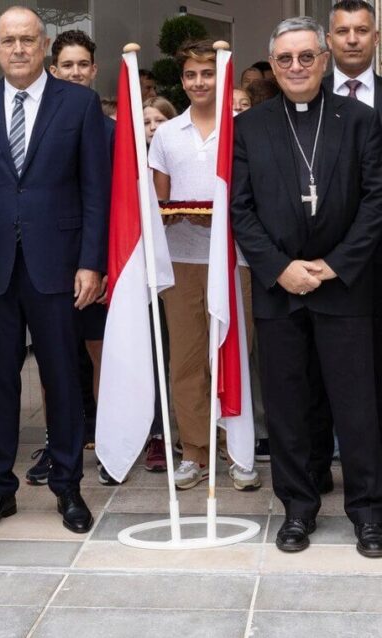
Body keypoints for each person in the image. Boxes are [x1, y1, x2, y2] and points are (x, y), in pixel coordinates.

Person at [232, 16, 382, 556]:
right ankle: (298, 509)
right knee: (290, 407)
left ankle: (369, 513)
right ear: (272, 66)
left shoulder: (361, 120)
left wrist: (333, 264)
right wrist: (280, 268)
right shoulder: (250, 127)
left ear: (323, 60)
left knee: (356, 405)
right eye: (284, 59)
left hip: (345, 288)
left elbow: (375, 201)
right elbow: (240, 210)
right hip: (279, 290)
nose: (296, 67)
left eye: (305, 57)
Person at [0, 6, 110, 535]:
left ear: (43, 45)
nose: (18, 49)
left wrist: (93, 261)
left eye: (28, 40)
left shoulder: (81, 104)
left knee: (62, 378)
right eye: (8, 41)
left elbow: (96, 191)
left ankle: (69, 486)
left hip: (60, 267)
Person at [149, 39, 262, 493]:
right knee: (188, 360)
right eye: (191, 75)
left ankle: (234, 449)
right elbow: (159, 201)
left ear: (223, 77)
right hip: (182, 260)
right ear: (182, 82)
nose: (199, 82)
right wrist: (168, 212)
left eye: (208, 73)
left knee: (234, 357)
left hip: (237, 261)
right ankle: (194, 451)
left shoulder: (244, 129)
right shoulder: (167, 134)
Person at [26, 29, 115, 485]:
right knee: (53, 359)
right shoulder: (34, 123)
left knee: (100, 355)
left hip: (97, 261)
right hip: (49, 266)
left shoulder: (114, 132)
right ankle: (59, 441)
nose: (76, 72)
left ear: (94, 70)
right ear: (53, 70)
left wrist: (103, 262)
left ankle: (106, 443)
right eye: (68, 66)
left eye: (84, 65)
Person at [308, 0, 382, 494]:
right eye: (342, 31)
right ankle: (317, 472)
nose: (352, 39)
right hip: (323, 269)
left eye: (362, 30)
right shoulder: (301, 103)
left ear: (376, 37)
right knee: (317, 379)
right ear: (328, 42)